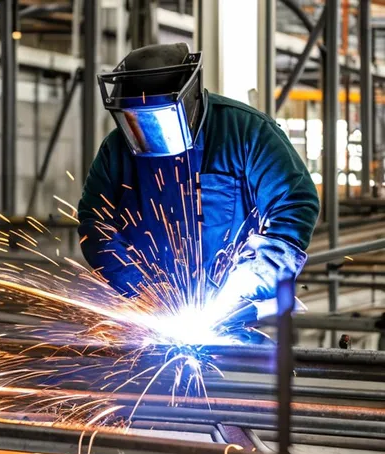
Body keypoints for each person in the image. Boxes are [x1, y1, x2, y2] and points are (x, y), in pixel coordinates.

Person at [78, 42, 319, 321]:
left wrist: (249, 285)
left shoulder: (247, 132)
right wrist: (139, 288)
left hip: (240, 311)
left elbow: (295, 201)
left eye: (157, 118)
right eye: (138, 120)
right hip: (151, 317)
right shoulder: (116, 149)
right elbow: (95, 224)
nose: (149, 130)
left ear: (187, 101)